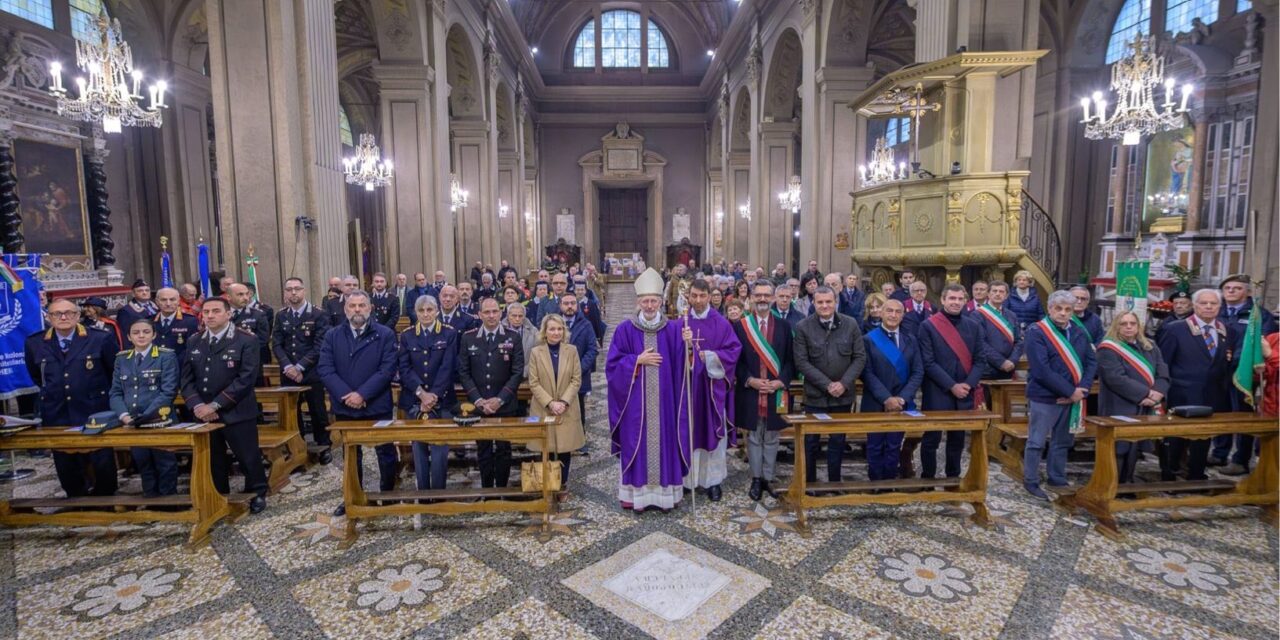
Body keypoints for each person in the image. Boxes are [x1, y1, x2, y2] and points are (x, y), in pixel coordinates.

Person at [607, 268, 689, 511]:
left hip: (666, 402)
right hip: (636, 403)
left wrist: (687, 345)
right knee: (636, 442)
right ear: (638, 302)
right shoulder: (625, 329)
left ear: (661, 302)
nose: (650, 305)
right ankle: (636, 497)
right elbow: (612, 364)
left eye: (654, 300)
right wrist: (636, 361)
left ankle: (665, 496)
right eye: (645, 301)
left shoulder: (673, 328)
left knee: (665, 442)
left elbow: (682, 367)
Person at [25, 299, 120, 497]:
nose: (63, 317)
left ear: (78, 315)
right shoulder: (35, 342)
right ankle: (76, 496)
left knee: (101, 457)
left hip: (94, 408)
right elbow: (36, 374)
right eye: (57, 314)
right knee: (64, 459)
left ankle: (105, 497)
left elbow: (114, 372)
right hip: (56, 410)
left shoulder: (100, 338)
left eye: (69, 312)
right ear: (48, 317)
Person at [180, 297, 267, 513]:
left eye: (216, 311)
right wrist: (198, 406)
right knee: (213, 457)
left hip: (236, 410)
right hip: (203, 413)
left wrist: (216, 405)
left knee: (247, 456)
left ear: (228, 314)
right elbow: (187, 379)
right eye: (206, 312)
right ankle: (218, 495)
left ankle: (257, 492)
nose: (209, 316)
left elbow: (246, 378)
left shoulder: (246, 339)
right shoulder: (194, 340)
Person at [318, 290, 400, 515]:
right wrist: (348, 395)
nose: (357, 310)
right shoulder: (332, 336)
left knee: (386, 452)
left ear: (370, 308)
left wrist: (362, 394)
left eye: (361, 305)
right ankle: (353, 495)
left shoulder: (385, 334)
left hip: (376, 404)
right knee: (351, 454)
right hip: (345, 405)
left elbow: (387, 370)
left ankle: (389, 494)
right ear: (345, 310)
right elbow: (325, 369)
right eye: (352, 306)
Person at [1022, 290, 1097, 500]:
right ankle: (1031, 481)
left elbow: (1091, 362)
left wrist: (1082, 389)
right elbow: (1041, 370)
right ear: (1050, 309)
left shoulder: (1079, 332)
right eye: (1059, 309)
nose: (1063, 313)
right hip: (1044, 397)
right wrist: (1069, 391)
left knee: (1062, 441)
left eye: (1068, 309)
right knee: (1036, 441)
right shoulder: (1037, 331)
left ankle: (1056, 476)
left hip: (1073, 397)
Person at [1157, 288, 1237, 482]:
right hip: (1181, 392)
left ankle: (1196, 474)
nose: (1209, 307)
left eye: (1213, 303)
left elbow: (1225, 363)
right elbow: (1163, 363)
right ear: (1194, 305)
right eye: (1203, 303)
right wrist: (1162, 393)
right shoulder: (1175, 329)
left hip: (1212, 393)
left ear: (1220, 306)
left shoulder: (1227, 330)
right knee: (1176, 437)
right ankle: (1170, 474)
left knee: (1203, 437)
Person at [794, 286, 865, 483]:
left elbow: (859, 358)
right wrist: (827, 385)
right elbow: (802, 362)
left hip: (843, 395)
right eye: (820, 302)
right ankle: (808, 483)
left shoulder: (850, 325)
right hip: (815, 395)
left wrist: (843, 383)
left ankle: (834, 481)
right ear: (814, 303)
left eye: (828, 302)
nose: (825, 306)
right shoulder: (803, 327)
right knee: (811, 441)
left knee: (838, 440)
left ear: (835, 302)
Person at [918, 283, 989, 479]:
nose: (956, 302)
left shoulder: (973, 326)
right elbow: (928, 362)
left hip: (965, 390)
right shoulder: (928, 326)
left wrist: (968, 384)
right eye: (952, 298)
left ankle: (953, 477)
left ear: (965, 301)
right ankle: (928, 478)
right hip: (937, 390)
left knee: (957, 437)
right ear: (943, 300)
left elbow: (980, 359)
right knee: (932, 437)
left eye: (959, 299)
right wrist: (952, 386)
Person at [733, 280, 796, 501]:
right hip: (751, 391)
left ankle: (769, 478)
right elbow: (736, 362)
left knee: (771, 436)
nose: (762, 299)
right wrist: (749, 380)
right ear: (751, 297)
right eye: (758, 295)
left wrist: (781, 381)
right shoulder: (741, 326)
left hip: (775, 391)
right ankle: (756, 478)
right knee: (753, 436)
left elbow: (790, 360)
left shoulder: (784, 327)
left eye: (766, 296)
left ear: (773, 298)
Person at [680, 280, 741, 502]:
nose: (697, 300)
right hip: (689, 392)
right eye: (694, 296)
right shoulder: (681, 324)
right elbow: (671, 355)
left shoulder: (721, 323)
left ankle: (713, 481)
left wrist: (709, 356)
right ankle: (689, 480)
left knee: (713, 433)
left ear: (709, 296)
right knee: (690, 433)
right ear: (689, 296)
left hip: (712, 390)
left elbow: (733, 351)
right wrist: (685, 348)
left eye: (702, 296)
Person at [1212, 274, 1278, 473]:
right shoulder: (1217, 311)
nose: (1231, 291)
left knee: (1243, 414)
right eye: (1227, 288)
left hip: (1244, 373)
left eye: (1236, 288)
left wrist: (1236, 359)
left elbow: (1260, 343)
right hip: (1219, 371)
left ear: (1247, 292)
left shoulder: (1258, 314)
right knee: (1220, 413)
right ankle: (1219, 453)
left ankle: (1240, 458)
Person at [458, 297, 525, 488]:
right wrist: (478, 400)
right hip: (480, 404)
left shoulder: (512, 337)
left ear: (501, 313)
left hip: (504, 405)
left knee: (504, 448)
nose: (491, 316)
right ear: (479, 315)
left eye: (495, 311)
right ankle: (487, 489)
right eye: (486, 312)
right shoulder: (468, 337)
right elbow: (464, 371)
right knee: (483, 448)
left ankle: (502, 488)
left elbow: (517, 372)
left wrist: (500, 399)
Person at [1097, 311, 1170, 484]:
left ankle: (1127, 481)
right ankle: (1112, 483)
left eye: (1132, 323)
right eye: (1124, 324)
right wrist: (1145, 394)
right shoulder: (1108, 348)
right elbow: (1115, 378)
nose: (1129, 327)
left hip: (1147, 404)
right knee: (1120, 446)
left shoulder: (1150, 346)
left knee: (1135, 445)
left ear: (1139, 326)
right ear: (1116, 326)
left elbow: (1163, 371)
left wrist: (1157, 393)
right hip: (1119, 403)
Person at [110, 319, 180, 496]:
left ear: (154, 334)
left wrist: (146, 416)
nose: (141, 336)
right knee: (143, 463)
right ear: (129, 336)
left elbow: (168, 391)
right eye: (136, 332)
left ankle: (168, 503)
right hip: (132, 421)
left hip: (159, 420)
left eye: (146, 332)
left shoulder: (165, 356)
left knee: (165, 463)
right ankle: (151, 499)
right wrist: (125, 416)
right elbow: (116, 392)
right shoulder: (122, 359)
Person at [398, 295, 459, 492]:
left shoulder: (448, 333)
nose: (426, 314)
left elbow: (448, 367)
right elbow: (404, 368)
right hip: (414, 400)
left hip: (442, 400)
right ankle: (423, 493)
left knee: (440, 448)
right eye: (421, 311)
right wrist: (421, 394)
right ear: (416, 313)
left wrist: (433, 395)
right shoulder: (407, 335)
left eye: (430, 310)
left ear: (437, 311)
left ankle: (439, 493)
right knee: (419, 447)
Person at [861, 299, 924, 480]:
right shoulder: (868, 339)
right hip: (875, 402)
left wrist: (902, 398)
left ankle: (889, 481)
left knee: (894, 445)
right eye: (889, 310)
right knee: (875, 446)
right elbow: (867, 373)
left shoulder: (910, 339)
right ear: (881, 312)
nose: (893, 315)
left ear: (903, 315)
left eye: (898, 312)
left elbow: (918, 371)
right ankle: (876, 483)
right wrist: (886, 398)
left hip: (902, 403)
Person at [273, 277, 333, 462]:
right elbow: (276, 344)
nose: (293, 293)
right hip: (288, 372)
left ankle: (323, 446)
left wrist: (300, 366)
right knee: (292, 412)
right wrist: (288, 366)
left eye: (297, 289)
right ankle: (296, 446)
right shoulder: (281, 315)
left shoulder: (318, 314)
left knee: (317, 410)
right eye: (289, 289)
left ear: (304, 291)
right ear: (285, 292)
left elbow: (320, 344)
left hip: (311, 371)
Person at [526, 313, 584, 495]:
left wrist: (564, 402)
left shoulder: (571, 350)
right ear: (545, 331)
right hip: (544, 407)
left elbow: (576, 379)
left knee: (565, 448)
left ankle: (563, 484)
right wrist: (550, 403)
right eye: (552, 329)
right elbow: (533, 382)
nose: (556, 332)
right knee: (546, 447)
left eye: (559, 329)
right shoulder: (536, 352)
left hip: (566, 406)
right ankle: (548, 485)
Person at [976, 280, 1024, 381]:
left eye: (1001, 292)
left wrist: (1012, 360)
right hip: (987, 369)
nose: (998, 294)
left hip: (1009, 369)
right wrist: (1001, 362)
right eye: (994, 291)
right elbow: (980, 343)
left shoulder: (1012, 315)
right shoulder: (977, 315)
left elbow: (1019, 341)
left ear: (1006, 295)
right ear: (988, 294)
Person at [226, 283, 270, 384]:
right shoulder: (222, 315)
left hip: (250, 366)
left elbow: (263, 340)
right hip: (227, 366)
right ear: (229, 297)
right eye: (240, 295)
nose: (246, 298)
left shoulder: (258, 315)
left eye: (247, 294)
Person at [153, 287, 200, 359]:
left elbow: (192, 348)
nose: (168, 303)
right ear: (157, 301)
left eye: (172, 300)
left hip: (179, 365)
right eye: (163, 300)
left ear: (178, 301)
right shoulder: (149, 321)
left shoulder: (190, 321)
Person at [506, 302, 538, 375]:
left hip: (527, 375)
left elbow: (537, 357)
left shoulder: (534, 332)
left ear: (524, 317)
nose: (517, 319)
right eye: (514, 316)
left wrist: (523, 372)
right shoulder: (500, 331)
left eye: (520, 316)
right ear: (508, 316)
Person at [575, 279, 607, 345]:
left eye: (582, 290)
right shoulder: (571, 303)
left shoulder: (591, 304)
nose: (580, 292)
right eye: (578, 290)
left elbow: (596, 321)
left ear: (585, 291)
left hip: (588, 334)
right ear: (575, 291)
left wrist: (598, 336)